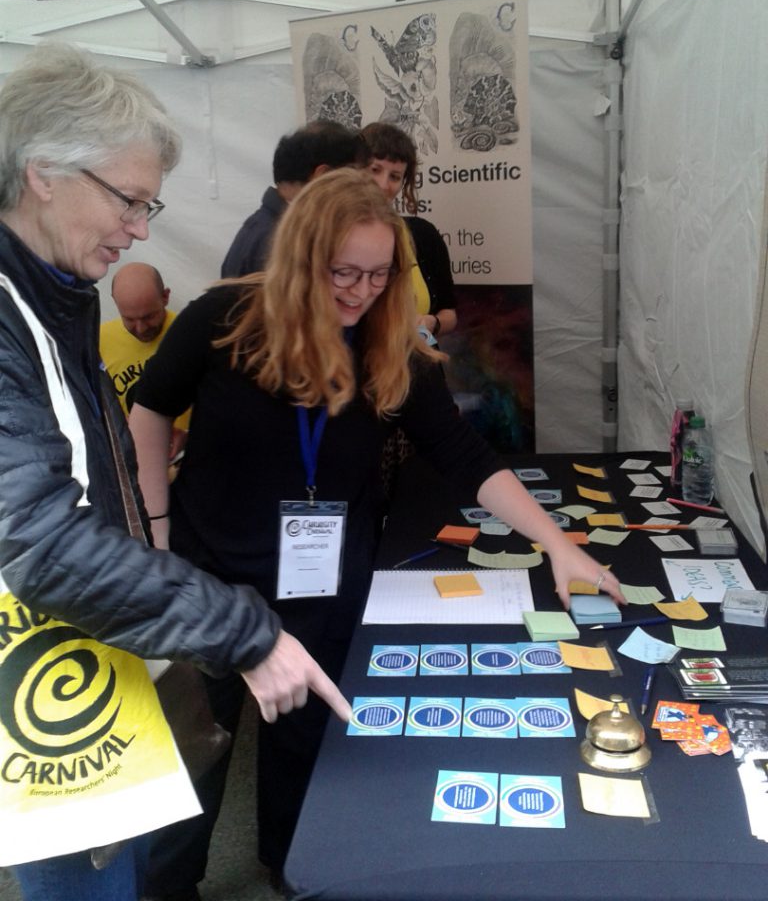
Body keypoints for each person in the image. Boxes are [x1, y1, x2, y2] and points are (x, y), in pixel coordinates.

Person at [129, 167, 625, 894]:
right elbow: (149, 413)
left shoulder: (390, 343)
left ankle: (286, 868)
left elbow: (464, 456)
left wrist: (557, 544)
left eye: (379, 274)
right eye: (343, 273)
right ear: (301, 260)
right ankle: (170, 888)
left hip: (324, 584)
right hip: (212, 577)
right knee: (197, 753)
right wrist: (157, 529)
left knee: (302, 741)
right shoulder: (221, 320)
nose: (361, 292)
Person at [0, 43, 349, 901]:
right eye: (129, 200)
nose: (142, 229)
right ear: (45, 173)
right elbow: (34, 537)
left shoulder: (51, 295)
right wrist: (247, 632)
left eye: (149, 204)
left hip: (77, 669)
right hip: (37, 693)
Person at [220, 120, 369, 277]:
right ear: (323, 175)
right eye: (349, 176)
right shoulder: (279, 241)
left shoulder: (263, 225)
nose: (354, 189)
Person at [362, 121, 457, 340]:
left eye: (395, 177)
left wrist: (434, 323)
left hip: (420, 365)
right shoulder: (334, 237)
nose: (383, 184)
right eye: (374, 170)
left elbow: (449, 312)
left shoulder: (424, 234)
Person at [100, 262, 189, 458]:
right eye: (129, 319)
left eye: (149, 316)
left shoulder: (190, 334)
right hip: (132, 463)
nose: (140, 328)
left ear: (165, 296)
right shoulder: (98, 341)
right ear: (115, 302)